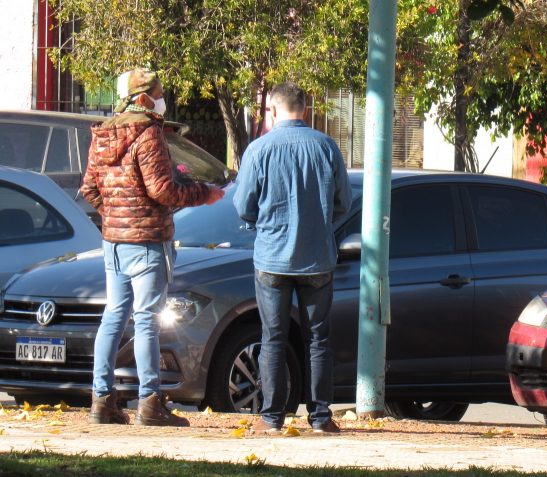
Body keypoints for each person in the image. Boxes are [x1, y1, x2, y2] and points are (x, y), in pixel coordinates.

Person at [82, 68, 225, 426]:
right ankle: (149, 401)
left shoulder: (102, 134)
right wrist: (203, 194)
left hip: (114, 242)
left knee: (114, 316)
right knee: (146, 320)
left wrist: (115, 217)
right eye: (159, 94)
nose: (163, 100)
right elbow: (162, 190)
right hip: (147, 242)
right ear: (144, 99)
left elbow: (89, 189)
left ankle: (101, 399)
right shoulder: (148, 134)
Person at [233, 82, 351, 434]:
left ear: (272, 110)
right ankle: (321, 416)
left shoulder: (258, 149)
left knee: (273, 337)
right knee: (318, 338)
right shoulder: (326, 146)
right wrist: (319, 222)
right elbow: (343, 202)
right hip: (317, 258)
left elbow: (243, 205)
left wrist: (262, 223)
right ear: (305, 109)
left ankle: (271, 417)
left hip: (272, 257)